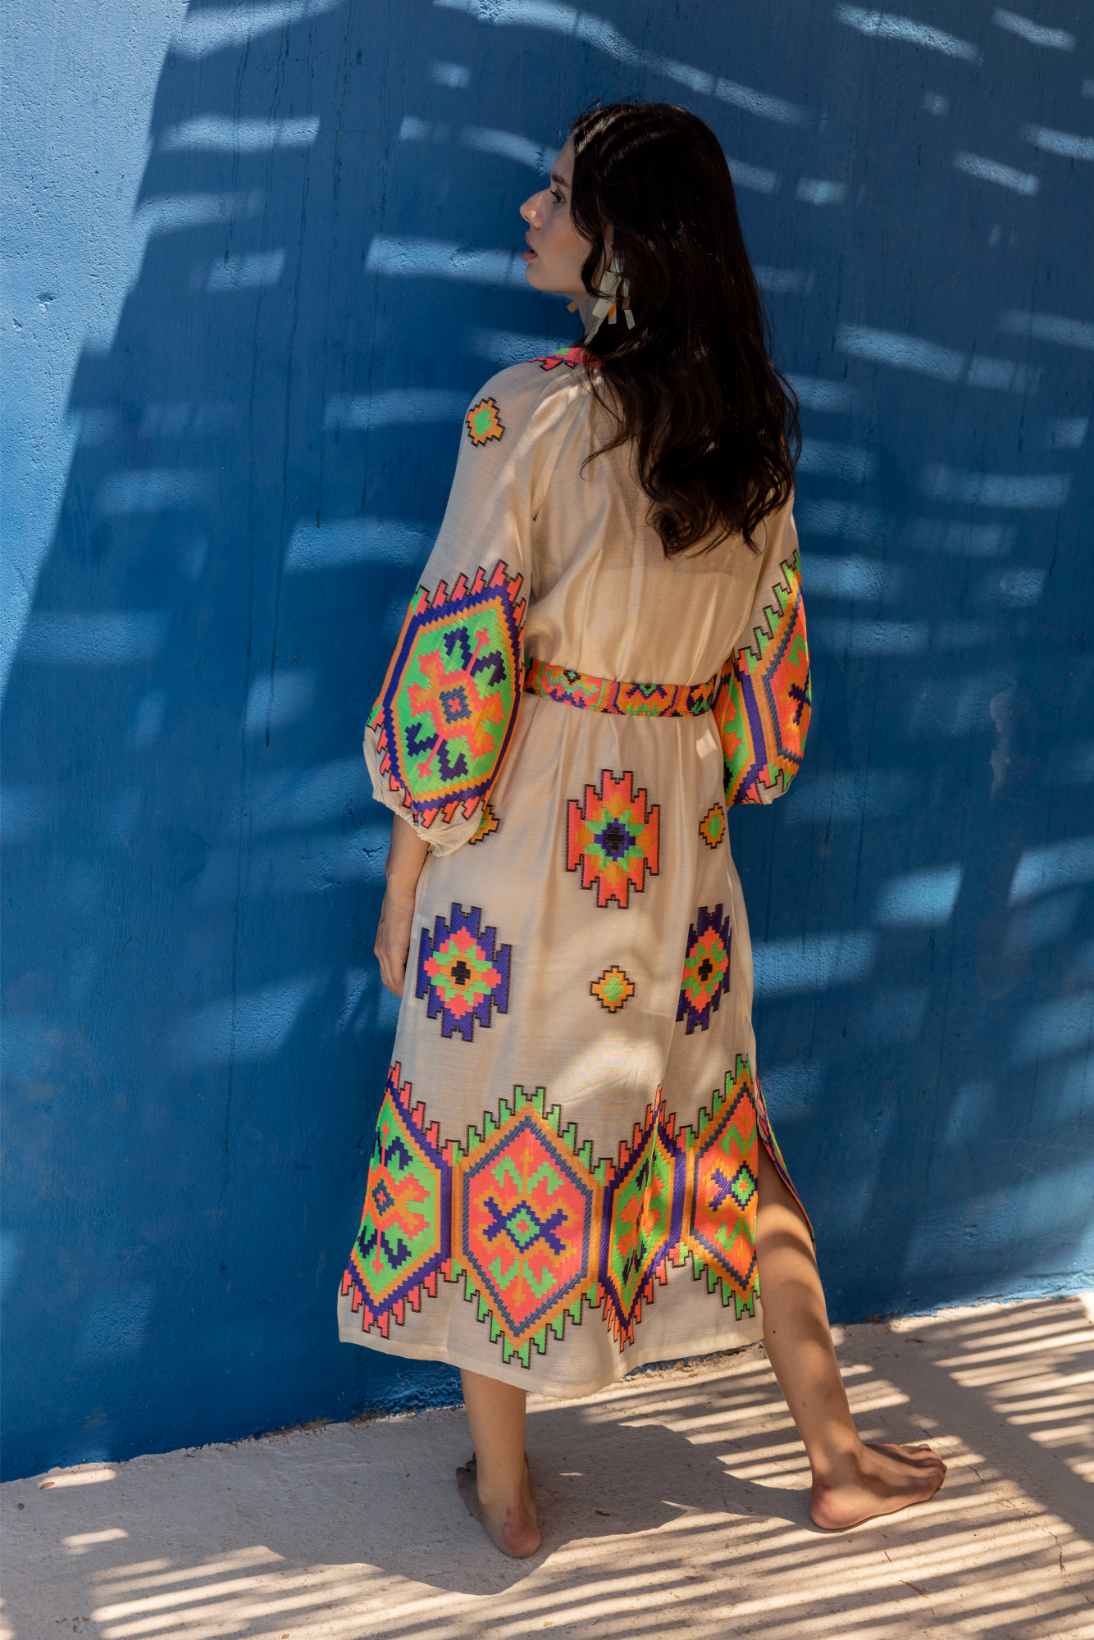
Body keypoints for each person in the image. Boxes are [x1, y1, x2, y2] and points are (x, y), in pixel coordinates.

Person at [337, 100, 945, 1558]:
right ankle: (835, 1454)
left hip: (522, 835)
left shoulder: (527, 414)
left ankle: (508, 1492)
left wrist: (407, 869)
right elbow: (771, 712)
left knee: (491, 1119)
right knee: (730, 1143)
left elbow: (460, 658)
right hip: (674, 845)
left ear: (621, 241)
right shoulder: (753, 437)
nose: (530, 213)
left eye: (557, 194)